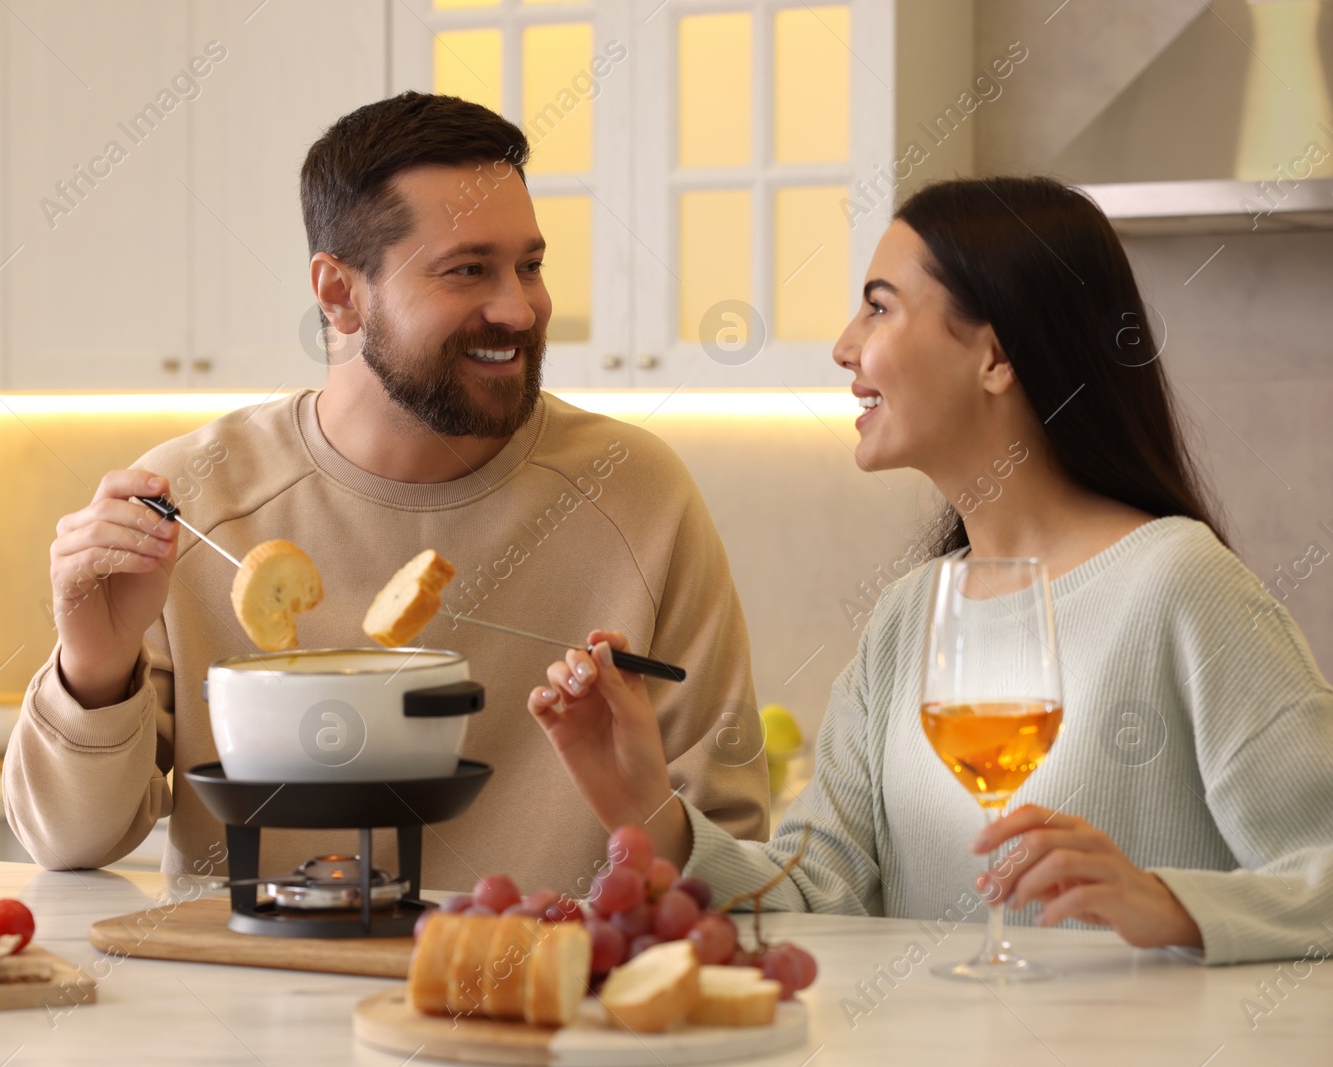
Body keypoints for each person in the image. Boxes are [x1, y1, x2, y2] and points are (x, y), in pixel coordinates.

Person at [528, 176, 1333, 965]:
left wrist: (1166, 902)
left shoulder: (1180, 582)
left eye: (879, 306)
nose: (844, 344)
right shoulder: (909, 616)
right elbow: (820, 896)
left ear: (994, 356)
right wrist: (643, 804)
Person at [2, 92, 768, 890]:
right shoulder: (192, 502)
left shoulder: (639, 495)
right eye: (468, 269)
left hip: (547, 1000)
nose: (520, 307)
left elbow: (737, 854)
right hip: (255, 999)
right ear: (338, 292)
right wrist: (92, 663)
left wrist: (642, 817)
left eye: (530, 266)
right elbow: (68, 843)